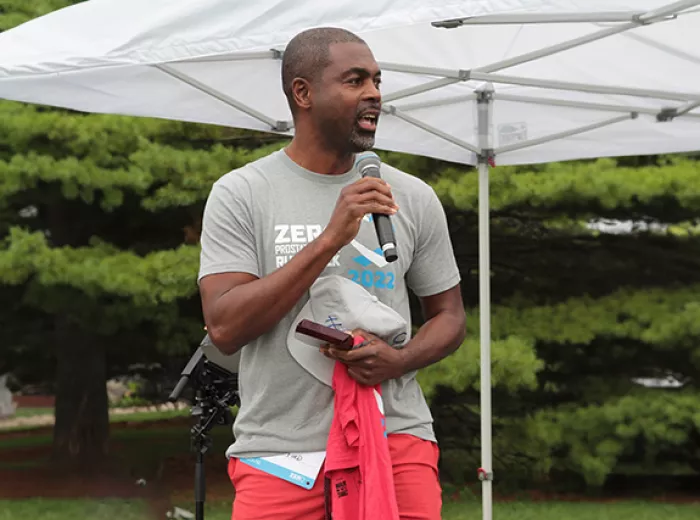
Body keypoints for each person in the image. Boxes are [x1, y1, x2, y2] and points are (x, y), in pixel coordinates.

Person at [198, 26, 466, 520]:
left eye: (377, 82)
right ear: (303, 93)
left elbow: (449, 316)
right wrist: (328, 240)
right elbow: (225, 326)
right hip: (280, 450)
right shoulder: (242, 192)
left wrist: (399, 359)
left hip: (395, 437)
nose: (374, 94)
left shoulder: (412, 196)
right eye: (355, 80)